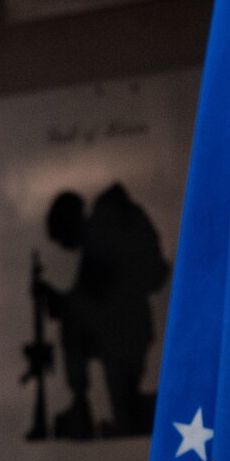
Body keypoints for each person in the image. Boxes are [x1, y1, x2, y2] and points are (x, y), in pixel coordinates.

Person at [35, 181, 170, 439]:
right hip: (124, 331)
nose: (65, 247)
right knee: (127, 410)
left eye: (63, 239)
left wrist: (58, 302)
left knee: (128, 416)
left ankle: (170, 408)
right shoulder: (101, 233)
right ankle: (87, 408)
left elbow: (95, 298)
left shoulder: (102, 232)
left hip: (124, 333)